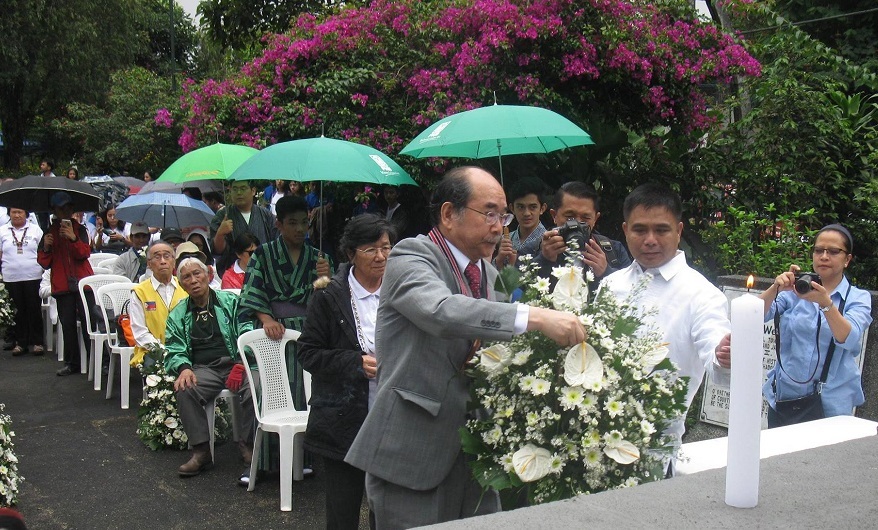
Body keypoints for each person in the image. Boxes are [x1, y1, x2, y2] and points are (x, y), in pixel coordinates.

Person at [345, 166, 586, 529]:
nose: (499, 226)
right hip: (413, 452)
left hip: (476, 450)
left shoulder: (489, 275)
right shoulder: (411, 256)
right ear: (448, 214)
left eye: (502, 215)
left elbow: (508, 345)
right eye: (489, 213)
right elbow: (441, 312)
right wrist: (535, 316)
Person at [600, 182, 731, 473]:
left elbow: (716, 353)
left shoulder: (701, 294)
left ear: (679, 231)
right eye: (639, 230)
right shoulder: (611, 285)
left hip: (655, 451)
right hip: (597, 441)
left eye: (661, 230)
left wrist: (724, 355)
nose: (650, 240)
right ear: (624, 230)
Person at [297, 214, 394, 529]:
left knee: (388, 509)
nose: (380, 257)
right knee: (343, 510)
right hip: (342, 420)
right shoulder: (328, 296)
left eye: (386, 247)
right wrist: (355, 363)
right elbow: (307, 352)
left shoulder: (400, 291)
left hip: (391, 415)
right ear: (351, 253)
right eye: (370, 249)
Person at [758, 224, 872, 427]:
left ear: (847, 259)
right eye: (819, 250)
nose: (824, 256)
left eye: (834, 251)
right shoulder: (796, 291)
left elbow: (850, 337)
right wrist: (775, 288)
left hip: (831, 407)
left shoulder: (857, 298)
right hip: (785, 401)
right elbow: (754, 315)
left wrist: (826, 304)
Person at [163, 256, 255, 477]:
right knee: (185, 388)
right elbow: (174, 346)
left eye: (197, 274)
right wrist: (184, 367)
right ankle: (201, 451)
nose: (193, 280)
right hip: (204, 369)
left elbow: (248, 330)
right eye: (186, 277)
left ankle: (249, 444)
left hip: (236, 363)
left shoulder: (230, 301)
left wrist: (242, 362)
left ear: (208, 275)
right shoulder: (178, 313)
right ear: (181, 283)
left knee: (255, 387)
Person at [239, 195, 331, 411]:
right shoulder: (262, 254)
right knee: (275, 395)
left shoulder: (319, 257)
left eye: (304, 222)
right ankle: (272, 444)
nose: (300, 228)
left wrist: (326, 278)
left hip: (311, 331)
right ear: (278, 224)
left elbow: (330, 300)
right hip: (274, 330)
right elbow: (252, 291)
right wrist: (266, 319)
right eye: (292, 223)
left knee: (311, 390)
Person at [37, 192, 94, 376]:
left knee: (89, 324)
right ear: (54, 210)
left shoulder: (81, 230)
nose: (66, 211)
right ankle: (73, 363)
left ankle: (98, 362)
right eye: (62, 208)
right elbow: (44, 262)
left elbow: (84, 253)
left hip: (83, 284)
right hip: (62, 286)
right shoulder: (48, 232)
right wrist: (46, 247)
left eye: (69, 207)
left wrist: (73, 238)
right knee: (67, 325)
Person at [536, 181, 631, 284]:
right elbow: (519, 290)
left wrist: (606, 271)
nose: (576, 223)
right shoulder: (534, 248)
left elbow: (633, 291)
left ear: (595, 219)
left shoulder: (614, 250)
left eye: (585, 218)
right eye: (569, 216)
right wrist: (544, 260)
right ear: (554, 215)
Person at [128, 241, 188, 367]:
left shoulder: (186, 287)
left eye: (167, 256)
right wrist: (162, 349)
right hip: (153, 350)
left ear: (174, 261)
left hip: (185, 347)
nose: (162, 261)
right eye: (157, 257)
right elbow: (140, 332)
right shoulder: (140, 292)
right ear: (149, 264)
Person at [0, 208, 45, 355]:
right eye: (14, 212)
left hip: (33, 275)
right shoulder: (3, 231)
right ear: (9, 214)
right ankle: (21, 343)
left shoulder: (35, 230)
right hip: (11, 276)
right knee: (18, 311)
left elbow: (43, 250)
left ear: (26, 214)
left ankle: (38, 342)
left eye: (20, 212)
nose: (17, 215)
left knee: (34, 309)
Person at [210, 180, 277, 276]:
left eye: (243, 188)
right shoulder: (222, 215)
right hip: (233, 275)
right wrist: (220, 233)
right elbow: (217, 251)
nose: (239, 193)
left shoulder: (266, 215)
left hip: (264, 273)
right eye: (235, 189)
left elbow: (275, 245)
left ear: (253, 191)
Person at [494, 176, 548, 268]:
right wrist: (499, 261)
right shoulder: (504, 240)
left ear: (542, 208)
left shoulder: (549, 241)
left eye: (533, 207)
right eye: (520, 207)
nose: (526, 213)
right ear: (512, 208)